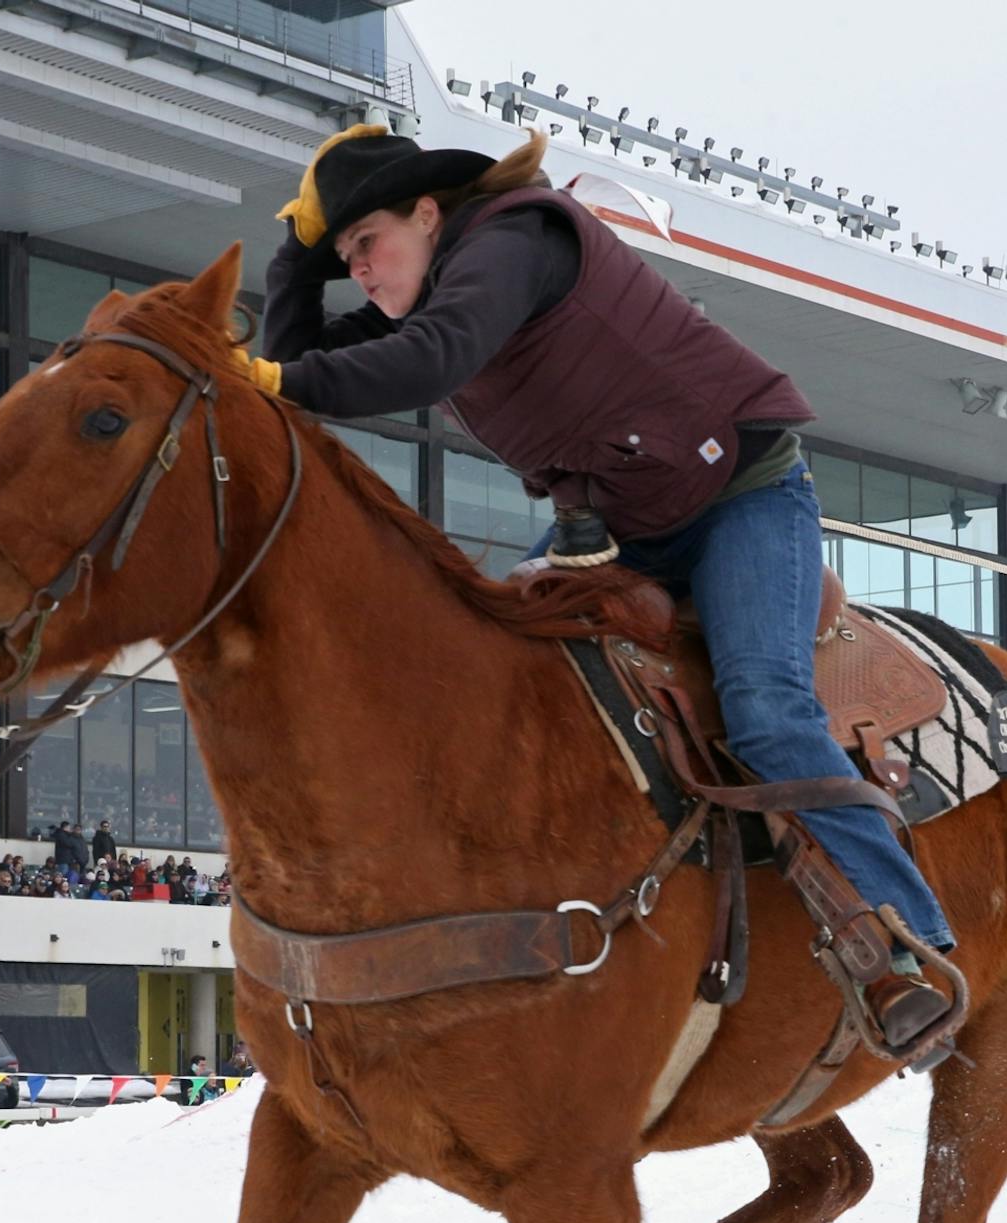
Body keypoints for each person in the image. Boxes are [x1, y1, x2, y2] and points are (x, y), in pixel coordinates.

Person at [252, 125, 954, 1044]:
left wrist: (264, 372)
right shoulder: (435, 290)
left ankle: (913, 943)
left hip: (741, 497)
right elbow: (298, 363)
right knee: (501, 675)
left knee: (765, 708)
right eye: (349, 260)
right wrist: (298, 266)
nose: (365, 273)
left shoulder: (514, 239)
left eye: (367, 247)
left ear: (429, 213)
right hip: (620, 528)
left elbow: (406, 364)